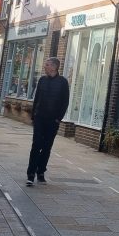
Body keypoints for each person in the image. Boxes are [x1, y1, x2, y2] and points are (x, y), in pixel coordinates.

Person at [26, 57, 69, 185]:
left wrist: (58, 119)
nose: (45, 66)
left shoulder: (63, 82)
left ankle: (41, 172)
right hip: (40, 118)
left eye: (47, 65)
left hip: (52, 121)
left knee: (46, 147)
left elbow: (65, 102)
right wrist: (34, 115)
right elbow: (37, 98)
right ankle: (30, 174)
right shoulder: (42, 80)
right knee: (36, 145)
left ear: (54, 67)